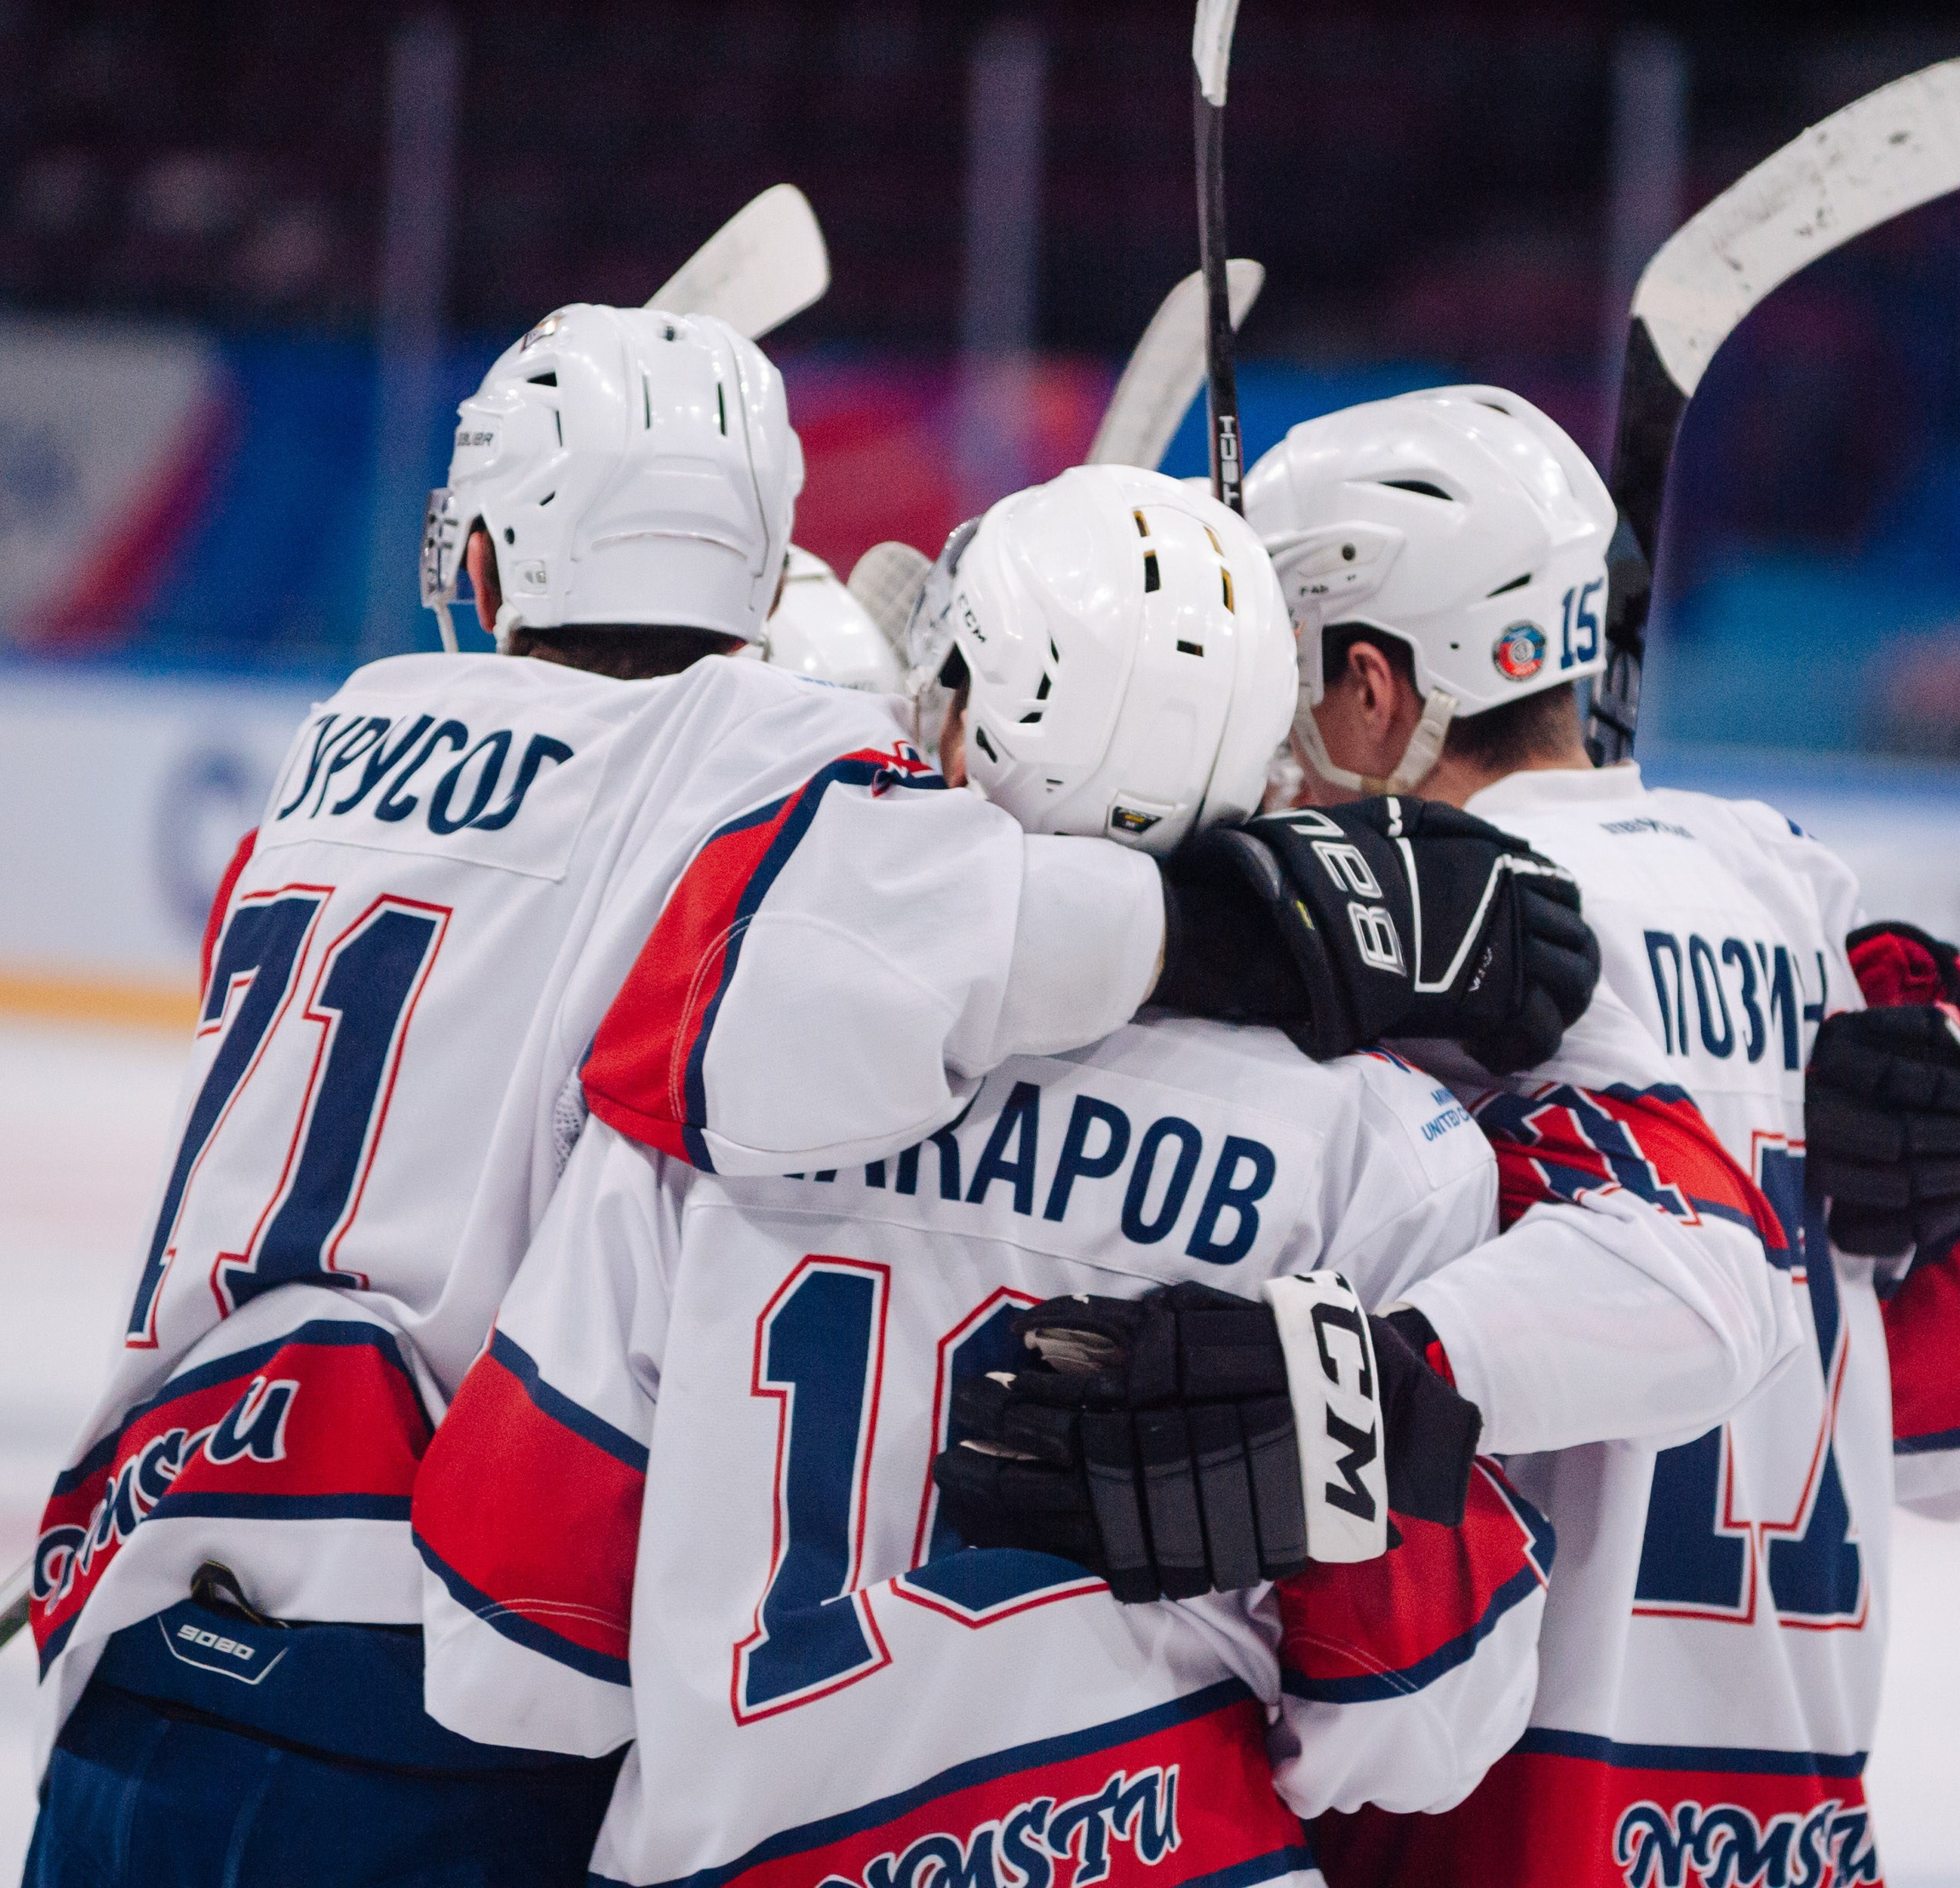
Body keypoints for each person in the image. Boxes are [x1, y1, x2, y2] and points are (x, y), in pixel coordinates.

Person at [20, 328, 1600, 1888]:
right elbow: (1002, 921)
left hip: (142, 1615)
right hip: (416, 1703)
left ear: (489, 573)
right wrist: (1292, 913)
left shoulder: (333, 742)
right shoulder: (785, 782)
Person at [944, 387, 1960, 1888]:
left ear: (1375, 690)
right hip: (1795, 1831)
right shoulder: (1792, 893)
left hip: (1491, 1823)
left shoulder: (1398, 952)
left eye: (1287, 674)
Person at [410, 466, 1561, 1887]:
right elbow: (1425, 1722)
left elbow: (511, 1644)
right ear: (1272, 765)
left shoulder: (710, 1095)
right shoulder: (1384, 1151)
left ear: (962, 708)